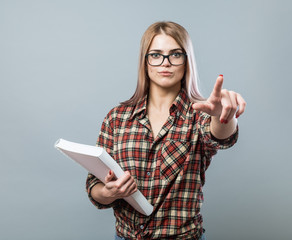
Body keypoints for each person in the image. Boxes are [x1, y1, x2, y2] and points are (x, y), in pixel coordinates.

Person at [86, 21, 246, 240]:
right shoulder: (117, 118)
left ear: (186, 61)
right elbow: (95, 184)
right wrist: (108, 193)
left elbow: (220, 135)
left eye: (176, 54)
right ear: (145, 61)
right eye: (156, 54)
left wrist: (223, 116)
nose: (166, 63)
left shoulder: (199, 114)